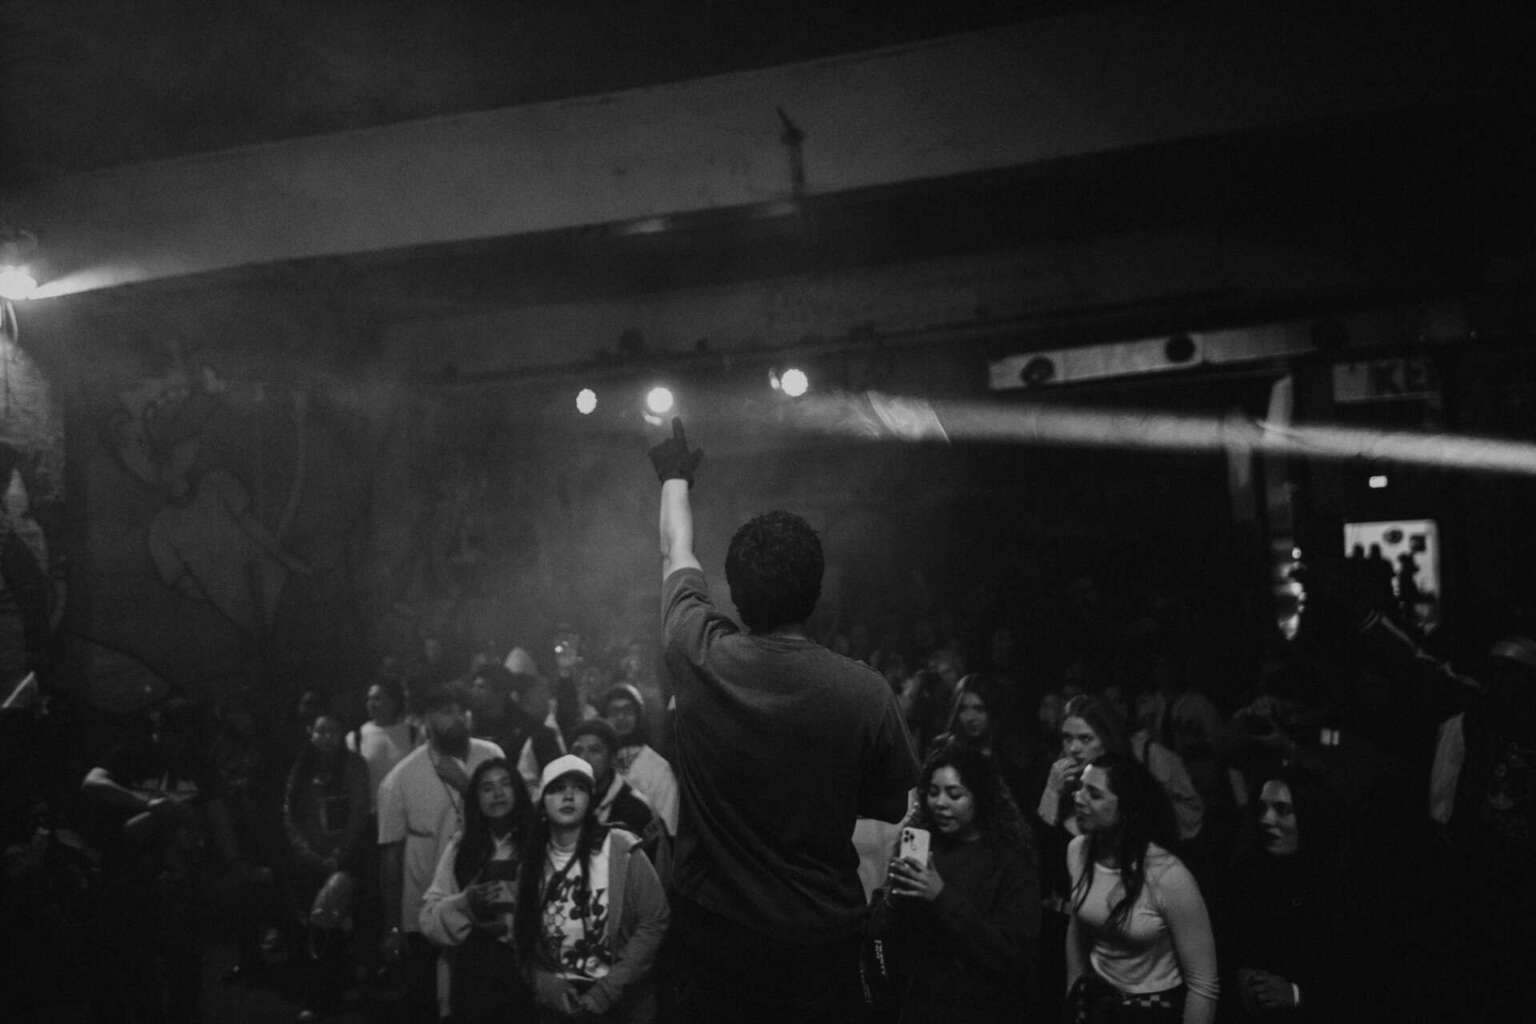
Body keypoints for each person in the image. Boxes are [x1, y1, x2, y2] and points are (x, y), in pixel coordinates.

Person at [650, 418, 918, 1024]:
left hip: (716, 940)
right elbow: (893, 802)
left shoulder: (698, 652)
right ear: (816, 593)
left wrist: (674, 476)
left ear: (734, 592)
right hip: (818, 945)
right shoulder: (864, 692)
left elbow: (675, 551)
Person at [82, 697, 247, 1024]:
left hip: (181, 872)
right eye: (170, 734)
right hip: (132, 870)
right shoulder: (131, 754)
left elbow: (217, 814)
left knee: (184, 960)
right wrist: (147, 803)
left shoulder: (197, 762)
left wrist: (234, 860)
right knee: (137, 962)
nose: (176, 743)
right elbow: (92, 783)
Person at [875, 743, 1041, 1022]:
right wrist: (893, 898)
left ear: (980, 797)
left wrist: (940, 895)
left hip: (982, 1006)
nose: (940, 803)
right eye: (933, 792)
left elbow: (1011, 953)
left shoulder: (1009, 859)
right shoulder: (923, 843)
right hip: (921, 1003)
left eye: (954, 794)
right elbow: (897, 936)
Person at [377, 682, 505, 1024]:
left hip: (484, 903)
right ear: (426, 720)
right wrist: (392, 925)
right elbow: (391, 856)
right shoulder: (400, 778)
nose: (459, 718)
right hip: (423, 912)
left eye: (463, 711)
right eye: (447, 712)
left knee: (477, 1002)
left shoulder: (491, 756)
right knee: (423, 1003)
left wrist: (467, 785)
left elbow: (511, 818)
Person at [514, 754, 669, 1022]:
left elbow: (654, 920)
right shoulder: (531, 865)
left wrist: (606, 992)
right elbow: (522, 940)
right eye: (558, 788)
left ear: (590, 799)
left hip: (620, 1003)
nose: (568, 796)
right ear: (543, 802)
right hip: (557, 1007)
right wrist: (547, 985)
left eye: (579, 788)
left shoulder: (621, 848)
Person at [1065, 753, 1218, 1023]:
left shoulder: (1168, 875)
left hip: (1152, 1009)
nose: (1078, 798)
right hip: (1100, 1004)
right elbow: (1078, 929)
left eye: (1094, 794)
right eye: (1080, 788)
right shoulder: (1078, 851)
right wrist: (1074, 995)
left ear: (1126, 809)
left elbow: (1203, 985)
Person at [1216, 769, 1348, 1021]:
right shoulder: (1245, 873)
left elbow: (1352, 974)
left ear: (1309, 815)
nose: (1266, 819)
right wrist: (1241, 975)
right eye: (1262, 808)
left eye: (1282, 809)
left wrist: (1296, 994)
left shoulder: (1336, 883)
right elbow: (1228, 943)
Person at [419, 758, 537, 1024]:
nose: (497, 793)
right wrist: (465, 904)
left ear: (518, 791)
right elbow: (428, 919)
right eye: (487, 788)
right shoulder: (461, 847)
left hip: (527, 976)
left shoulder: (538, 843)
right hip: (474, 978)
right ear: (476, 799)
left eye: (505, 784)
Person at [283, 710, 371, 1023]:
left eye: (332, 731)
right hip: (309, 860)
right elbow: (289, 814)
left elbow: (359, 812)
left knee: (330, 920)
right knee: (312, 925)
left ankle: (326, 997)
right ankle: (327, 990)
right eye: (320, 731)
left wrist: (339, 854)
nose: (325, 737)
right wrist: (307, 852)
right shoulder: (301, 767)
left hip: (344, 858)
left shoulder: (354, 765)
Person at [601, 683, 679, 835]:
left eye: (628, 711)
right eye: (614, 711)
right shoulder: (598, 763)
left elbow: (671, 824)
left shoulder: (658, 767)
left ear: (638, 715)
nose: (621, 717)